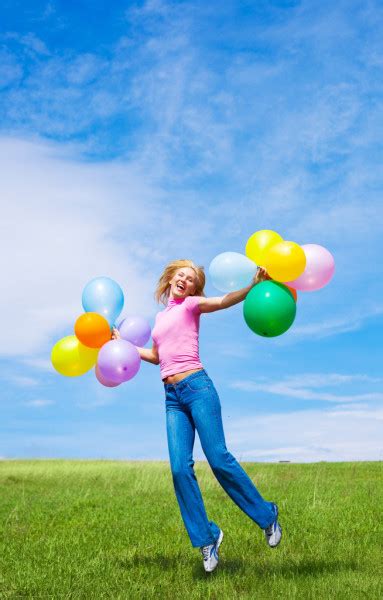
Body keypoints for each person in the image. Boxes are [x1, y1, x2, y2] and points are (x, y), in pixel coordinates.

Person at [113, 259, 282, 573]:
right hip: (172, 397)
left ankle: (267, 515)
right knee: (179, 469)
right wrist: (124, 345)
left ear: (193, 287)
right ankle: (208, 538)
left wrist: (251, 288)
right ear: (170, 278)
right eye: (180, 275)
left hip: (198, 387)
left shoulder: (191, 305)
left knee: (217, 457)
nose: (184, 280)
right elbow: (157, 356)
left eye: (190, 279)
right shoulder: (161, 318)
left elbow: (220, 301)